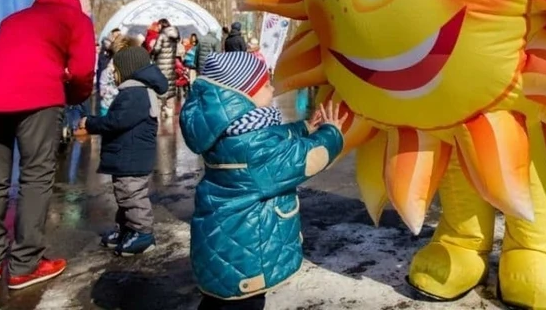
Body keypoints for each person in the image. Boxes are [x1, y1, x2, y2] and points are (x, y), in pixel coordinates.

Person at [181, 52, 347, 309]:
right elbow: (303, 158)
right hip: (245, 257)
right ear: (243, 95)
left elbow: (269, 138)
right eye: (266, 85)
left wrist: (302, 128)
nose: (272, 89)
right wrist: (331, 133)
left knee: (216, 303)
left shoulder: (227, 130)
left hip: (222, 243)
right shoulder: (253, 147)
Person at [0, 0, 96, 290]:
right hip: (37, 92)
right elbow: (82, 71)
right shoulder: (75, 18)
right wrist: (72, 98)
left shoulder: (17, 18)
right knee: (35, 176)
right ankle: (25, 264)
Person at [80, 45, 166, 256]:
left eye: (116, 72)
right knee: (125, 195)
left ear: (128, 70)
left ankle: (142, 233)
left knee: (132, 195)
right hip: (128, 156)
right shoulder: (136, 91)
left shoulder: (135, 93)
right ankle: (127, 229)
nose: (114, 76)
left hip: (131, 156)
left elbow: (116, 121)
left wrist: (90, 123)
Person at [149, 19, 179, 119]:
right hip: (171, 67)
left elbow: (156, 49)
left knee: (158, 91)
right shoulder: (175, 36)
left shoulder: (162, 35)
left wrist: (151, 53)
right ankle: (169, 114)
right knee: (170, 92)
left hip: (161, 67)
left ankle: (157, 116)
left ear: (162, 25)